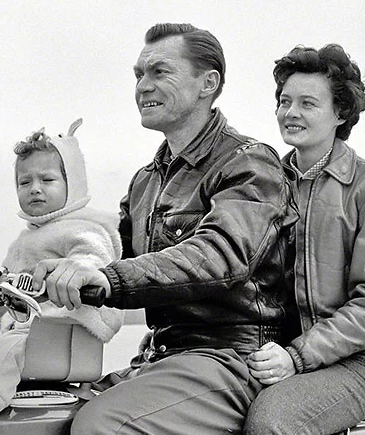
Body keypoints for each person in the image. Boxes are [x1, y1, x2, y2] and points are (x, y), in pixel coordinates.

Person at [31, 23, 298, 434]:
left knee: (102, 426)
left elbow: (220, 256)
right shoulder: (145, 181)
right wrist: (42, 266)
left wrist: (107, 279)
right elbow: (107, 252)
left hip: (231, 358)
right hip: (160, 356)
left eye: (159, 72)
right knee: (40, 417)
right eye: (138, 74)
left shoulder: (248, 163)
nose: (143, 86)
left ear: (208, 83)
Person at [243, 44, 365, 435]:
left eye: (307, 103)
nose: (291, 113)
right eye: (284, 101)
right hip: (263, 353)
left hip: (353, 362)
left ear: (340, 113)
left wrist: (297, 357)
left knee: (272, 424)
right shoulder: (260, 183)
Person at [0, 120, 123, 435]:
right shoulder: (26, 238)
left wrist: (75, 271)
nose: (34, 188)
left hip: (62, 334)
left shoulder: (84, 227)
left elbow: (94, 258)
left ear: (74, 182)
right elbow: (3, 290)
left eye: (47, 179)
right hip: (29, 335)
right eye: (24, 182)